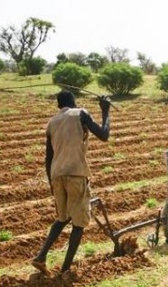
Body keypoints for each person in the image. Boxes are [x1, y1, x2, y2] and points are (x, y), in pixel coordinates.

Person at [32, 90, 111, 275]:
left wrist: (52, 184)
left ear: (59, 105)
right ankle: (66, 268)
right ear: (73, 102)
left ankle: (41, 257)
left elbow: (48, 157)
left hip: (56, 175)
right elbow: (104, 135)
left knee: (63, 217)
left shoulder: (52, 123)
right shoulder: (80, 113)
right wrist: (105, 111)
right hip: (76, 173)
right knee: (79, 223)